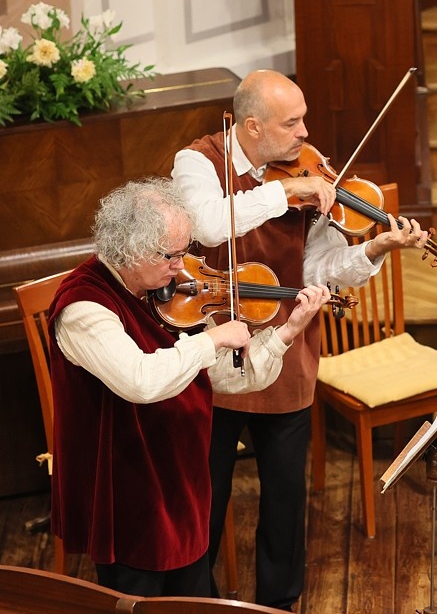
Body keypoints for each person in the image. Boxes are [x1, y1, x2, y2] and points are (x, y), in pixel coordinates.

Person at [171, 69, 429, 609]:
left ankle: (278, 602)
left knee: (285, 500)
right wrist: (283, 189)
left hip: (285, 347)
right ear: (251, 127)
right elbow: (211, 223)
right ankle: (193, 602)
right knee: (204, 499)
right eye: (292, 124)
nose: (305, 135)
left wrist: (374, 249)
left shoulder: (310, 175)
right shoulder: (197, 162)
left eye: (304, 119)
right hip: (211, 349)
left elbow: (316, 265)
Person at [49, 178, 329, 597]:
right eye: (172, 255)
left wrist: (285, 333)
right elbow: (140, 381)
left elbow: (222, 377)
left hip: (182, 471)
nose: (183, 267)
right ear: (131, 248)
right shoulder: (84, 307)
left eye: (184, 252)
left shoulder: (162, 293)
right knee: (141, 601)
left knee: (194, 597)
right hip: (127, 485)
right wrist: (211, 339)